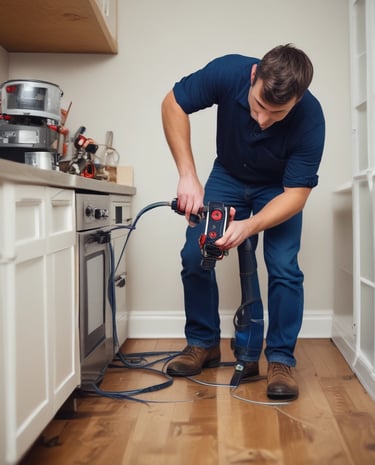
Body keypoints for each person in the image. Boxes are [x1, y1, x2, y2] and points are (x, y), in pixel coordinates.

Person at [161, 44, 325, 400]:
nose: (263, 120)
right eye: (259, 106)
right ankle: (203, 344)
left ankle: (280, 359)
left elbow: (296, 194)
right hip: (229, 175)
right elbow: (173, 103)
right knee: (195, 255)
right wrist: (188, 175)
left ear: (297, 102)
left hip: (279, 187)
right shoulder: (228, 71)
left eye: (277, 113)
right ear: (253, 77)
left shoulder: (311, 117)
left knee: (283, 266)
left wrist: (250, 226)